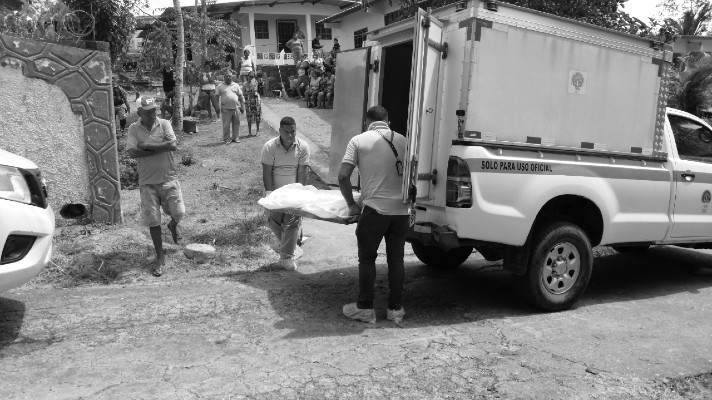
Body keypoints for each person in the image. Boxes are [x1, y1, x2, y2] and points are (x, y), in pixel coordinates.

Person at [339, 106, 409, 324]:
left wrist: (351, 204)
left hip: (375, 211)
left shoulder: (358, 141)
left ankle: (365, 308)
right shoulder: (405, 141)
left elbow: (343, 176)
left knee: (367, 259)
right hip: (402, 212)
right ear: (388, 121)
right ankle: (395, 310)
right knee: (396, 260)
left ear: (366, 122)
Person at [126, 97, 185, 277]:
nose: (153, 113)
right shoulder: (133, 129)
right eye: (149, 111)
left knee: (179, 212)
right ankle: (160, 257)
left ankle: (173, 225)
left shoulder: (165, 124)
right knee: (153, 220)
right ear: (140, 113)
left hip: (169, 178)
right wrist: (161, 147)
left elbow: (173, 145)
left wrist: (147, 146)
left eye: (154, 110)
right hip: (147, 182)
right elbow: (132, 152)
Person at [261, 117, 311, 270]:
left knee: (291, 223)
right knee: (273, 222)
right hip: (275, 191)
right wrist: (269, 193)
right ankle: (291, 248)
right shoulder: (269, 147)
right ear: (280, 131)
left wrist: (300, 192)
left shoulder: (303, 147)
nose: (290, 135)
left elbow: (303, 171)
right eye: (287, 132)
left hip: (293, 191)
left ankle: (286, 257)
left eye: (293, 132)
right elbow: (267, 171)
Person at [216, 72, 245, 145]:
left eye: (229, 76)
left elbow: (241, 96)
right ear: (224, 77)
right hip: (225, 108)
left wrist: (242, 106)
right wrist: (216, 106)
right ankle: (226, 139)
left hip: (236, 108)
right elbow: (216, 96)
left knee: (236, 124)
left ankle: (235, 137)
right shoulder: (220, 86)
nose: (228, 77)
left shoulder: (236, 85)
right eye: (226, 76)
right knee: (226, 125)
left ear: (232, 77)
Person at [242, 71, 262, 137]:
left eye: (253, 76)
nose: (251, 78)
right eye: (250, 76)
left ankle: (258, 131)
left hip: (256, 100)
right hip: (248, 101)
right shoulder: (245, 84)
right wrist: (249, 93)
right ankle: (250, 132)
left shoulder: (255, 82)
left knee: (257, 116)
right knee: (249, 116)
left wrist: (253, 87)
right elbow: (243, 93)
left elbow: (256, 91)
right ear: (248, 76)